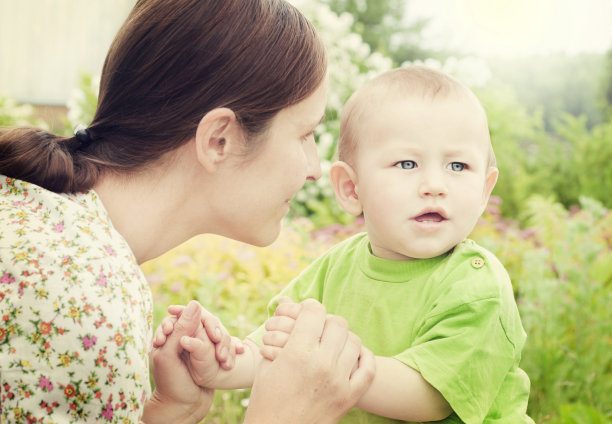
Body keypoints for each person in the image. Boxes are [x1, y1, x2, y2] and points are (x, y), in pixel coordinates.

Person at [0, 0, 376, 422]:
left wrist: (168, 413)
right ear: (219, 139)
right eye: (305, 134)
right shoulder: (79, 291)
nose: (315, 169)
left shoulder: (62, 241)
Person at [156, 66, 535, 423]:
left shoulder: (476, 285)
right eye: (407, 164)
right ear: (351, 189)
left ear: (485, 191)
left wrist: (333, 364)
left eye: (458, 167)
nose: (435, 184)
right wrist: (221, 364)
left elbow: (430, 396)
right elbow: (278, 356)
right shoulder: (335, 267)